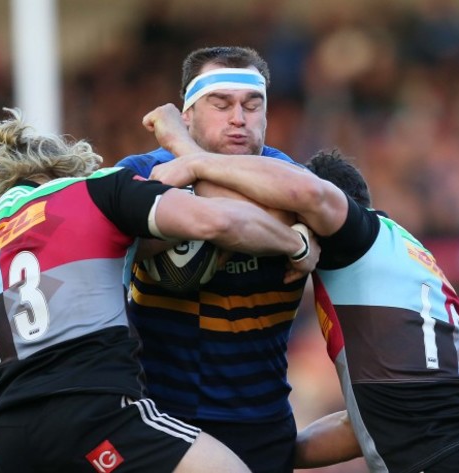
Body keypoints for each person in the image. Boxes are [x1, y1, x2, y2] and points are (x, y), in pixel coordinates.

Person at [0, 108, 315, 473]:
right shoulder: (95, 189)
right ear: (67, 170)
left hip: (11, 436)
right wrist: (294, 244)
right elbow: (218, 219)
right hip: (95, 415)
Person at [147, 139, 459, 472]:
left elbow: (304, 193)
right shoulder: (405, 252)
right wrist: (265, 449)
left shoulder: (350, 236)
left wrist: (191, 156)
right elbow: (361, 425)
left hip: (446, 459)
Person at [116, 46, 310, 473]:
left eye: (252, 106)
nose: (238, 118)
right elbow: (124, 241)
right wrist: (290, 242)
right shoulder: (139, 171)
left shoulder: (295, 181)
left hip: (260, 418)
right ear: (186, 114)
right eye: (220, 105)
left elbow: (272, 208)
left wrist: (187, 159)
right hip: (159, 417)